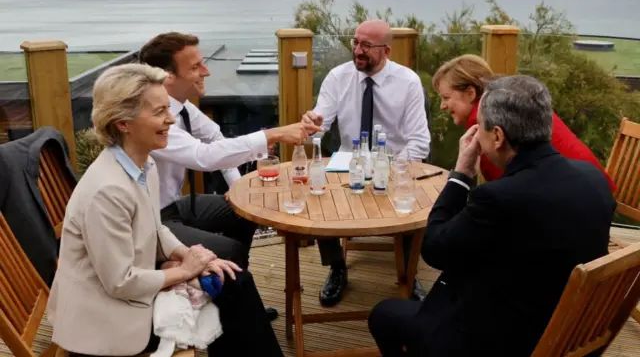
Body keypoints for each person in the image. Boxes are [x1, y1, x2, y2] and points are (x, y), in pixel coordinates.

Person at [46, 63, 284, 357]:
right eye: (159, 112)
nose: (171, 119)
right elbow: (121, 283)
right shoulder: (107, 191)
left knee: (232, 279)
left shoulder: (142, 163)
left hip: (126, 292)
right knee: (231, 294)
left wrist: (186, 255)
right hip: (107, 317)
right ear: (123, 123)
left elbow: (155, 228)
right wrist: (185, 271)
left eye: (168, 109)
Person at [368, 75, 616, 356]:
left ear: (497, 136)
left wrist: (461, 174)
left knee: (384, 314)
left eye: (480, 128)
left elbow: (435, 250)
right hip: (571, 330)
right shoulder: (593, 178)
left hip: (505, 341)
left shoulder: (500, 198)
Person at [139, 32, 320, 320]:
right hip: (153, 221)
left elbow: (215, 137)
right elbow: (204, 157)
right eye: (196, 66)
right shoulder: (153, 120)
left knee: (245, 211)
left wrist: (237, 189)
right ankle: (238, 311)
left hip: (175, 206)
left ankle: (234, 296)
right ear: (166, 76)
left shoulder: (183, 108)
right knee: (230, 248)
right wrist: (272, 134)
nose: (206, 71)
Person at [301, 19, 432, 307]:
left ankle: (409, 275)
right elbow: (319, 128)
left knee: (413, 199)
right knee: (319, 192)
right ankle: (337, 267)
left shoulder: (408, 81)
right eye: (355, 43)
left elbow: (420, 142)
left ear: (386, 50)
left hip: (396, 163)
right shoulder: (337, 77)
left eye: (366, 46)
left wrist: (393, 170)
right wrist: (312, 125)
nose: (358, 51)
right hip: (352, 162)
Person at [432, 53, 616, 190]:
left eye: (446, 97)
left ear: (470, 93)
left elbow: (506, 194)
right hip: (594, 188)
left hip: (572, 204)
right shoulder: (518, 101)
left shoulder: (489, 130)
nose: (442, 106)